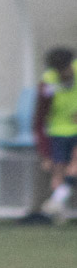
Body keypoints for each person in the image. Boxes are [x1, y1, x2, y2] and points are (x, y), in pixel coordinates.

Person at [31, 46, 77, 221]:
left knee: (75, 162)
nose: (62, 74)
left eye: (65, 69)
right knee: (59, 170)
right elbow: (39, 118)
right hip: (57, 132)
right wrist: (44, 153)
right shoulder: (48, 83)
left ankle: (55, 203)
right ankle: (58, 209)